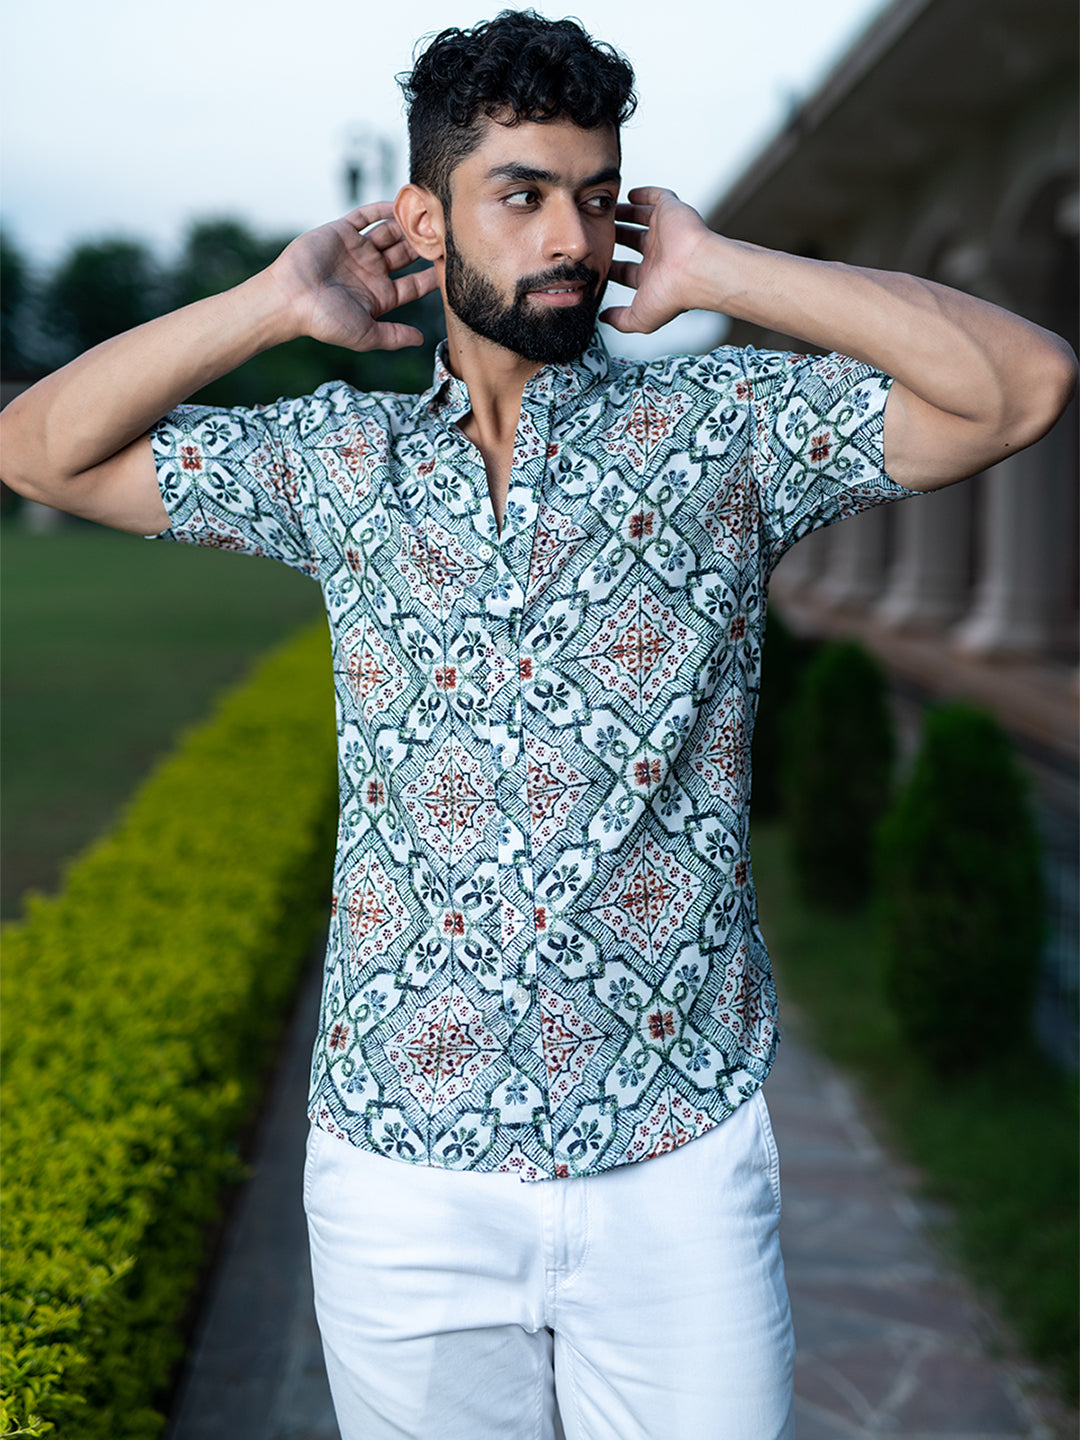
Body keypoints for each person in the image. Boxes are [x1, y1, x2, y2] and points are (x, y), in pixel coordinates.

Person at [2, 11, 1075, 1439]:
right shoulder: (342, 460)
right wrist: (272, 302)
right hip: (402, 1176)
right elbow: (38, 450)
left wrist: (723, 271)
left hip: (675, 1164)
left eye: (595, 194)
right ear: (424, 221)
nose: (570, 235)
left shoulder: (720, 434)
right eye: (521, 194)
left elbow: (1022, 387)